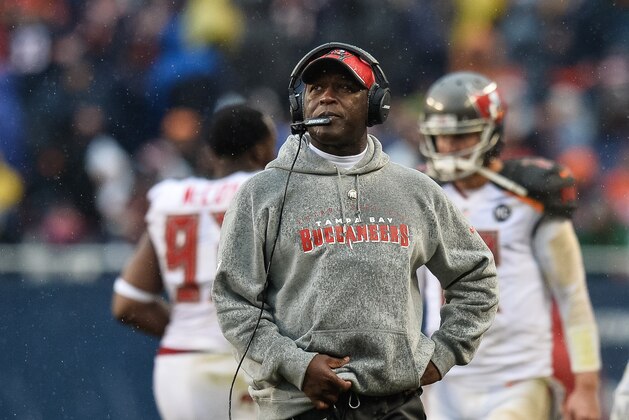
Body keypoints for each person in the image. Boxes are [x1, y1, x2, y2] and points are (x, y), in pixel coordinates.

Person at [211, 42, 499, 420]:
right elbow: (235, 302)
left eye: (344, 88)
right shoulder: (260, 193)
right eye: (316, 89)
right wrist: (295, 365)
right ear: (300, 104)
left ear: (376, 104)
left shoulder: (416, 190)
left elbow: (477, 277)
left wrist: (442, 355)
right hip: (301, 406)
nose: (326, 98)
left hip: (396, 406)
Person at [418, 71, 602, 420]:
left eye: (461, 136)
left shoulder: (529, 198)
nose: (448, 148)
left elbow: (572, 295)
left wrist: (588, 385)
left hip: (516, 378)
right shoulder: (422, 195)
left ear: (492, 131)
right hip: (441, 379)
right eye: (441, 137)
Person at [111, 104, 277, 420]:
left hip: (182, 366)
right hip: (255, 361)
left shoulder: (172, 198)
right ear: (260, 153)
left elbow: (127, 304)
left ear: (210, 154)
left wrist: (193, 332)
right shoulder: (270, 193)